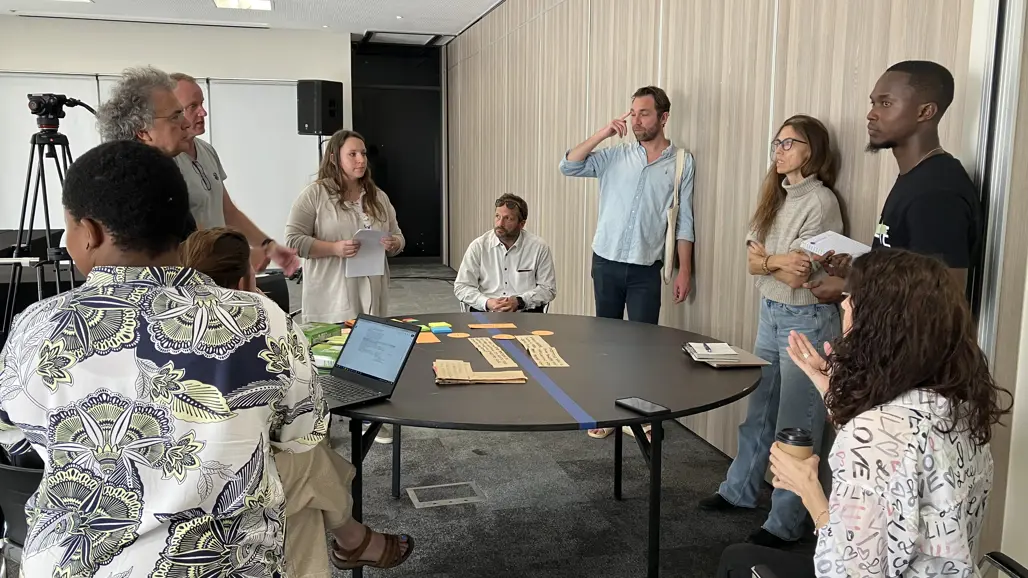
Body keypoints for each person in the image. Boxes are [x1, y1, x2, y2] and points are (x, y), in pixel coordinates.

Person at [0, 139, 321, 576]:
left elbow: (25, 438)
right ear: (182, 222)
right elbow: (304, 433)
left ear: (90, 233)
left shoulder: (35, 327)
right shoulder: (262, 318)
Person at [717, 248, 1009, 577]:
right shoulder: (961, 408)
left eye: (853, 299)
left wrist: (810, 491)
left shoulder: (873, 436)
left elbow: (847, 571)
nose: (843, 303)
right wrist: (828, 388)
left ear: (879, 327)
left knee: (737, 560)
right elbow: (895, 466)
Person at [179, 227, 414, 575]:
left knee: (299, 504)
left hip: (174, 476)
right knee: (305, 460)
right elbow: (307, 427)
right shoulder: (263, 322)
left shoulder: (166, 320)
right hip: (224, 485)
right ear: (245, 282)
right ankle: (353, 539)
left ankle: (354, 540)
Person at [700, 115, 843, 548]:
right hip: (770, 312)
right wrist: (773, 262)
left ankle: (785, 523)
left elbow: (802, 273)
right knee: (759, 408)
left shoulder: (820, 202)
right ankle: (738, 490)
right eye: (776, 143)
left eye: (788, 143)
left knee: (797, 423)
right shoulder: (773, 196)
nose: (778, 150)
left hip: (806, 319)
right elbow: (752, 261)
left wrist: (770, 261)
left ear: (811, 150)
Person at [809, 60, 983, 302]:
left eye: (886, 103)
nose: (871, 114)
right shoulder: (915, 176)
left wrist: (850, 285)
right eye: (874, 102)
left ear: (925, 112)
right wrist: (858, 272)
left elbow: (942, 298)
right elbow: (909, 269)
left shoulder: (937, 192)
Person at [284, 129, 404, 444]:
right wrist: (335, 248)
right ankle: (318, 422)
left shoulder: (378, 197)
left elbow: (399, 236)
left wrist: (393, 243)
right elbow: (295, 241)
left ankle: (370, 417)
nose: (361, 159)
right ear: (335, 157)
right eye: (353, 154)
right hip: (332, 292)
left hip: (372, 290)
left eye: (363, 153)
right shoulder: (315, 194)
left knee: (369, 356)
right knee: (326, 359)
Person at [558, 86, 695, 325]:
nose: (636, 121)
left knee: (642, 344)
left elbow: (684, 222)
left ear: (663, 118)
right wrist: (602, 134)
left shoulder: (682, 162)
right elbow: (568, 166)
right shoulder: (615, 156)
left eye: (644, 114)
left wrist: (684, 270)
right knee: (606, 341)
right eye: (632, 114)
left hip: (646, 267)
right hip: (605, 262)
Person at [171, 72, 299, 276]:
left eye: (202, 104)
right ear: (173, 111)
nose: (203, 112)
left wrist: (268, 246)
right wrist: (242, 255)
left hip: (220, 272)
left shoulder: (207, 151)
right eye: (193, 106)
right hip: (190, 275)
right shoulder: (167, 162)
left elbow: (228, 211)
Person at [453, 193, 557, 313]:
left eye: (508, 218)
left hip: (524, 313)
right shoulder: (479, 246)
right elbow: (462, 287)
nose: (500, 224)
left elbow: (548, 289)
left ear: (522, 224)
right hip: (486, 312)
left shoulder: (539, 247)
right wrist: (487, 302)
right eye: (497, 216)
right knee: (481, 331)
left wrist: (519, 301)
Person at [96, 65, 191, 158]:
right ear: (142, 131)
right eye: (175, 117)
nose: (187, 123)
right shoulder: (129, 172)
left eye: (181, 114)